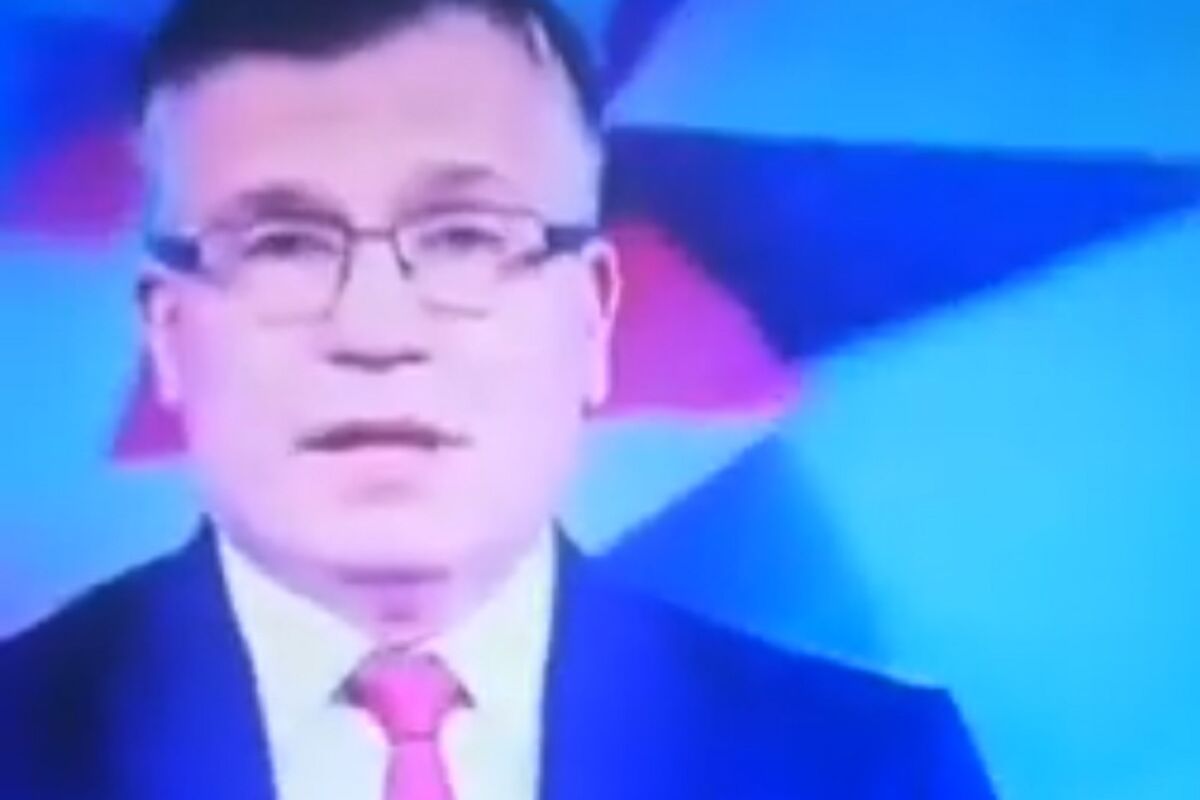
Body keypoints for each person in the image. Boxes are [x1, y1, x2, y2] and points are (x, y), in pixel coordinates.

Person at [0, 0, 996, 797]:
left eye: (465, 237)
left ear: (593, 316)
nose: (376, 328)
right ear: (169, 334)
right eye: (282, 244)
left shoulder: (866, 768)